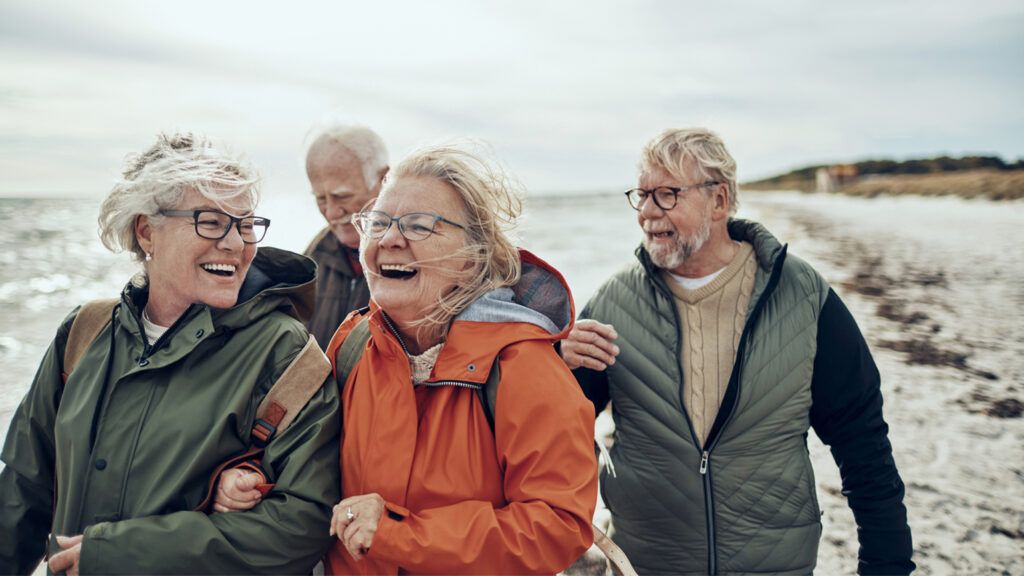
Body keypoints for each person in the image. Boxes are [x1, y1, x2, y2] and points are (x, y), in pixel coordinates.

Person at [217, 144, 599, 574]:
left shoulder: (523, 367)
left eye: (420, 226)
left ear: (474, 254)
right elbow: (298, 461)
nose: (389, 239)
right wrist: (245, 482)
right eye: (378, 222)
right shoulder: (353, 343)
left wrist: (400, 534)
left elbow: (558, 526)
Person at [561, 128, 915, 575]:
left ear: (719, 201)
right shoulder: (613, 303)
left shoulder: (801, 296)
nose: (647, 212)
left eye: (667, 194)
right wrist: (557, 367)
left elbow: (863, 443)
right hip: (646, 565)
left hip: (774, 565)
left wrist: (887, 565)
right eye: (642, 195)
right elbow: (554, 434)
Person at [0, 133, 340, 574]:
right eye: (211, 222)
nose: (236, 244)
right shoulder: (85, 332)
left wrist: (119, 554)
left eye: (245, 223)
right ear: (147, 232)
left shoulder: (285, 353)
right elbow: (23, 490)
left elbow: (302, 524)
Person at [304, 124, 389, 348]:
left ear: (384, 180)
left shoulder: (416, 257)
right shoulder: (313, 258)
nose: (331, 213)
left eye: (342, 196)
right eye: (321, 198)